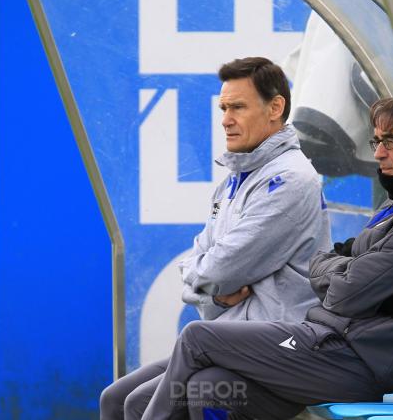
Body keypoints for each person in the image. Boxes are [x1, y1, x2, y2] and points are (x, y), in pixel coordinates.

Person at [138, 88, 393, 420]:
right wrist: (337, 267)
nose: (378, 153)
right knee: (210, 387)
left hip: (353, 360)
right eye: (376, 140)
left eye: (390, 140)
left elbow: (346, 292)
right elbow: (331, 260)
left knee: (199, 337)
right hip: (328, 343)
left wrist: (335, 269)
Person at [100, 57, 331, 419]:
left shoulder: (290, 179)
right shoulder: (234, 181)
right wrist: (214, 293)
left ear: (275, 108)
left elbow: (220, 268)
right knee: (118, 399)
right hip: (228, 335)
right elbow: (200, 261)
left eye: (238, 107)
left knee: (194, 394)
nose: (225, 119)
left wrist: (210, 283)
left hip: (277, 346)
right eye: (223, 107)